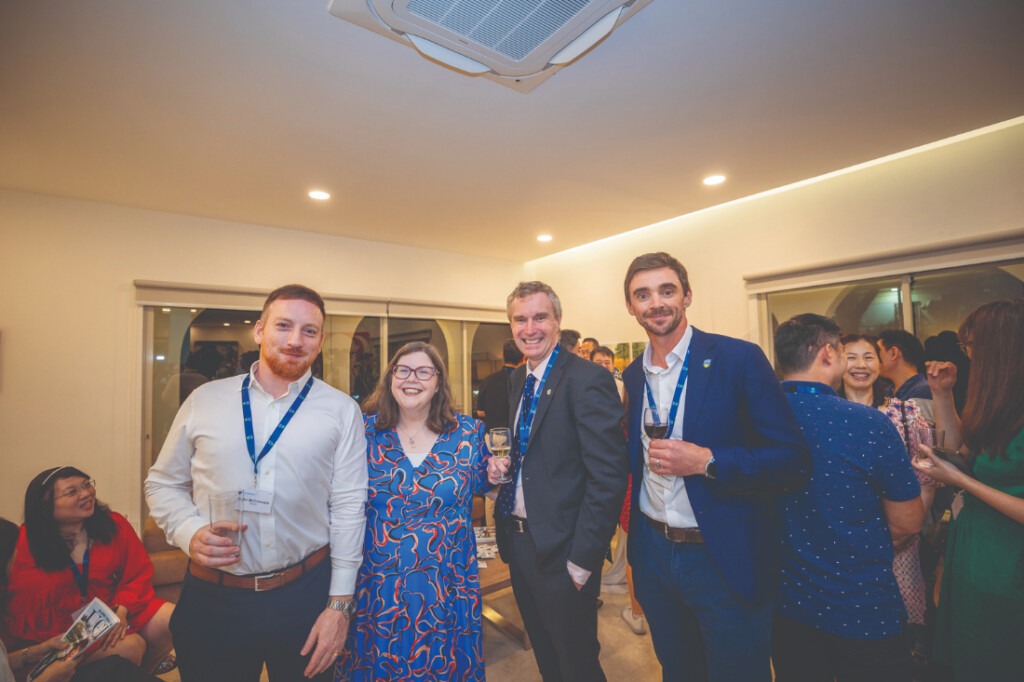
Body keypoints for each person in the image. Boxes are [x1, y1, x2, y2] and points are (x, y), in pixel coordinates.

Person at [145, 284, 368, 682]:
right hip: (213, 597)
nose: (296, 340)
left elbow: (349, 508)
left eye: (310, 331)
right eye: (284, 325)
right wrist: (188, 531)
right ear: (260, 330)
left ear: (320, 342)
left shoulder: (341, 411)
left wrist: (339, 606)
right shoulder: (204, 400)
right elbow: (162, 483)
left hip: (306, 593)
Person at [620, 252, 811, 682]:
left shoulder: (738, 359)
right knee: (679, 670)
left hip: (721, 555)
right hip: (654, 555)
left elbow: (792, 461)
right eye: (642, 295)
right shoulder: (633, 375)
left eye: (667, 291)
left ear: (686, 296)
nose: (656, 303)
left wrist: (708, 461)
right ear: (630, 307)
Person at [487, 281, 628, 682]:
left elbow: (608, 475)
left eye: (539, 317)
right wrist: (505, 468)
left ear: (558, 320)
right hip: (520, 544)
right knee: (547, 657)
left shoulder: (586, 379)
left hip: (564, 551)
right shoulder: (519, 380)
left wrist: (583, 560)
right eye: (520, 319)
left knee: (577, 662)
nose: (529, 328)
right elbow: (536, 452)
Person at [772, 315, 923, 681]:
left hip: (784, 604)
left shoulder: (756, 419)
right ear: (828, 353)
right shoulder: (867, 423)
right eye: (843, 351)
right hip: (860, 605)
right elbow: (907, 522)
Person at [335, 343, 490, 681]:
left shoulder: (468, 434)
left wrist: (497, 475)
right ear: (391, 377)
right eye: (402, 370)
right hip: (378, 587)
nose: (411, 379)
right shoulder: (363, 433)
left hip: (447, 586)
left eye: (424, 372)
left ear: (438, 382)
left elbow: (486, 487)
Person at [912, 298, 1024, 681]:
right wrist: (942, 394)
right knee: (972, 652)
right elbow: (963, 449)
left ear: (1002, 348)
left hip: (1008, 556)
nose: (969, 355)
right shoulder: (1001, 399)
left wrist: (961, 481)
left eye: (972, 346)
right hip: (975, 547)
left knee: (1001, 653)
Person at [4, 469, 174, 675]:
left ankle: (141, 673)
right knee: (131, 647)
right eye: (71, 491)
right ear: (45, 506)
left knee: (172, 619)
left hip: (106, 615)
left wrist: (122, 607)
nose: (86, 493)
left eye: (86, 484)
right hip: (49, 638)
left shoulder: (114, 525)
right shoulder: (19, 544)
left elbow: (136, 574)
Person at [841, 334, 942, 660]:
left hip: (901, 544)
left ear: (880, 364)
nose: (860, 365)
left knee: (897, 639)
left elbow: (926, 477)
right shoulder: (829, 416)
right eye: (851, 357)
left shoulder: (904, 412)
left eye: (868, 356)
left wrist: (906, 530)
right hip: (846, 545)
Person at [878, 329, 934, 424]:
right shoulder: (888, 390)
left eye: (877, 351)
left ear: (893, 353)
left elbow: (922, 436)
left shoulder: (922, 391)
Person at [475, 339, 523, 430]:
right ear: (523, 358)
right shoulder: (524, 381)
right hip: (516, 435)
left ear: (502, 356)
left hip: (493, 435)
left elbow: (480, 412)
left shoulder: (488, 381)